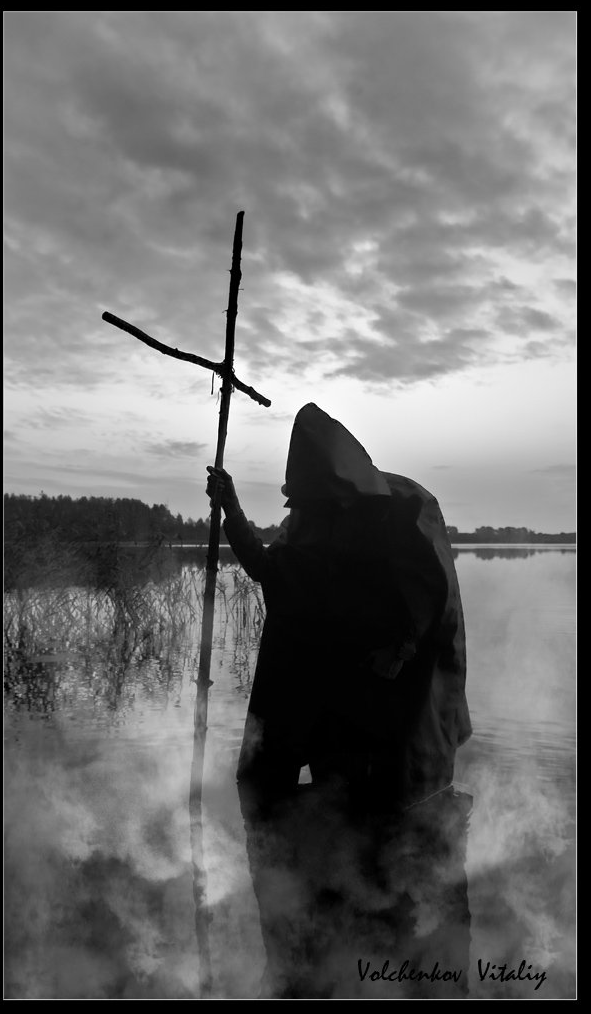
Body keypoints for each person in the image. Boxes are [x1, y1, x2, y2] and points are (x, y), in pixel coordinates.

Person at [206, 402, 473, 998]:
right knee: (327, 806)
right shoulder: (308, 522)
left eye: (317, 498)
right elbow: (272, 570)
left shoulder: (402, 510)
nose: (308, 510)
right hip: (337, 691)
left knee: (400, 822)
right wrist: (232, 511)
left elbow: (427, 591)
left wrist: (401, 647)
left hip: (397, 702)